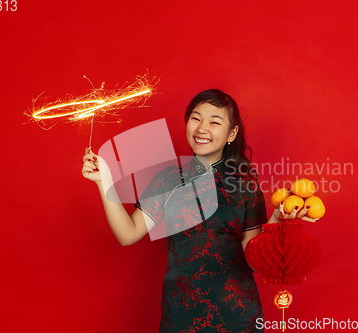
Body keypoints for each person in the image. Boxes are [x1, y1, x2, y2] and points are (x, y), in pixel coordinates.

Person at [82, 89, 318, 332]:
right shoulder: (168, 180)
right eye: (196, 118)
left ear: (231, 133)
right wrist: (105, 181)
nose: (202, 128)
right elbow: (128, 234)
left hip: (236, 315)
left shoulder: (246, 186)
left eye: (214, 122)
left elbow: (255, 262)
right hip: (180, 314)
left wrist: (276, 220)